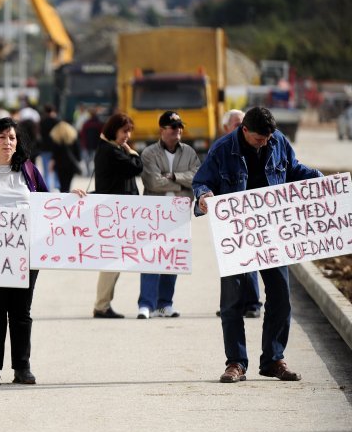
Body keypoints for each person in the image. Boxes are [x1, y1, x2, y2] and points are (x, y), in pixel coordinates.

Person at [0, 117, 85, 386]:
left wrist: (70, 197)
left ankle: (22, 368)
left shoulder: (28, 169)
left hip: (26, 251)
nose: (7, 142)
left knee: (22, 312)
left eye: (11, 138)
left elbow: (47, 202)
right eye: (1, 137)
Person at [192, 106, 322, 383]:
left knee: (281, 299)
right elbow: (202, 181)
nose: (264, 142)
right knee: (232, 302)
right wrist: (204, 196)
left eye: (267, 138)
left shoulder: (278, 141)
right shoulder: (222, 149)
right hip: (236, 236)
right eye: (258, 138)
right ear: (244, 130)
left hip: (273, 234)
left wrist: (321, 182)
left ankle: (274, 360)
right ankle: (236, 363)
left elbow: (294, 170)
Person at [136, 111, 200, 319]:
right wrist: (182, 181)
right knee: (151, 257)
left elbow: (197, 177)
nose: (178, 131)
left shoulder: (189, 152)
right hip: (155, 214)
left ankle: (165, 304)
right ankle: (146, 304)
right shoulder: (149, 153)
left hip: (179, 214)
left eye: (180, 126)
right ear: (162, 130)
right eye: (173, 127)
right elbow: (153, 182)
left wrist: (172, 176)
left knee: (172, 258)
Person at [92, 112, 143, 319]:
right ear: (114, 130)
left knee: (114, 261)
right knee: (111, 262)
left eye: (130, 131)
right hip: (114, 215)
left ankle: (104, 304)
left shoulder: (110, 149)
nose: (127, 136)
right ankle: (102, 305)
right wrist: (132, 152)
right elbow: (136, 168)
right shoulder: (112, 152)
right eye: (124, 131)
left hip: (117, 213)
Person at [216, 109, 262, 319]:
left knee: (250, 257)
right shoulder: (221, 149)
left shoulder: (257, 146)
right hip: (228, 216)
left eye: (242, 123)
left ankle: (252, 303)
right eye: (236, 124)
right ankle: (232, 303)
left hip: (252, 212)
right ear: (226, 128)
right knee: (229, 261)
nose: (240, 128)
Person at [49, 120, 82, 193]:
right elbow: (78, 151)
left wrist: (51, 163)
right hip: (71, 165)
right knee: (68, 183)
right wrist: (78, 161)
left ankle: (63, 194)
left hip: (60, 165)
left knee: (62, 183)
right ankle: (66, 193)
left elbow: (54, 154)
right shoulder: (73, 137)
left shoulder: (57, 139)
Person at [38, 104, 60, 190]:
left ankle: (47, 187)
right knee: (56, 169)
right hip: (56, 148)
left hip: (45, 148)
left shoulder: (42, 121)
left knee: (46, 170)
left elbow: (39, 135)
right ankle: (57, 186)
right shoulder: (57, 121)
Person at [79, 108, 103, 177]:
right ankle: (93, 172)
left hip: (88, 144)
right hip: (96, 145)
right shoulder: (99, 123)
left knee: (87, 160)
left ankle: (89, 172)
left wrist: (83, 143)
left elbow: (83, 134)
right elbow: (102, 134)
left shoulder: (86, 123)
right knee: (95, 160)